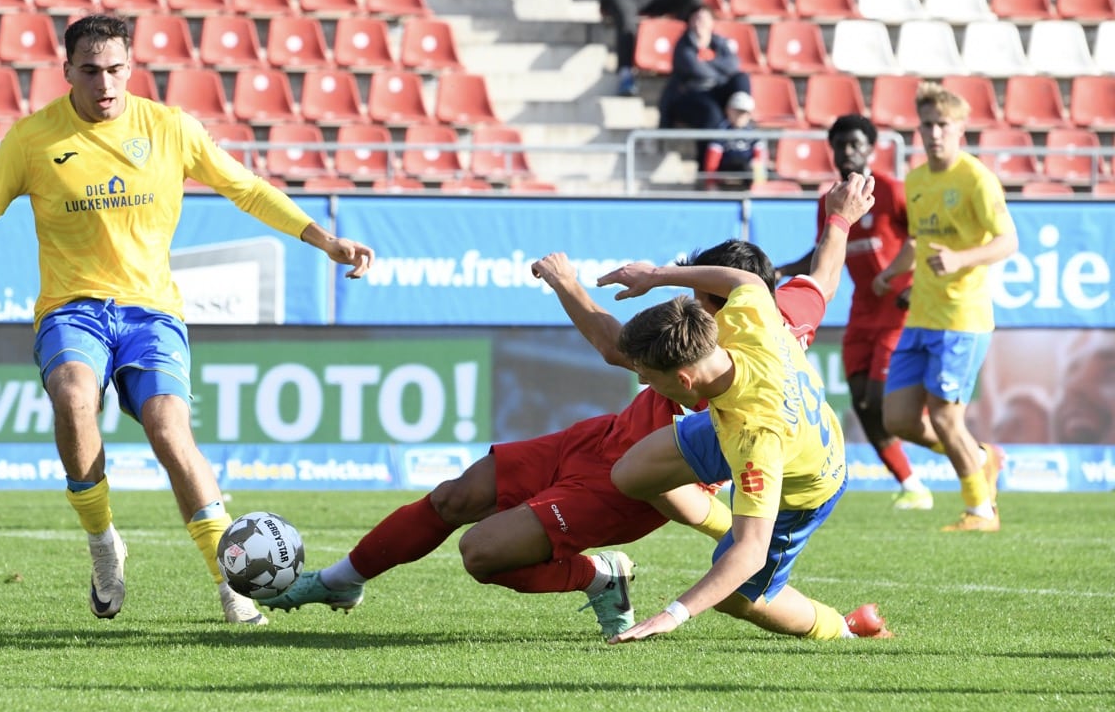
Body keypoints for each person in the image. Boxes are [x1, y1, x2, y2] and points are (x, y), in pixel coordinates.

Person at [257, 177, 878, 639]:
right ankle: (341, 581)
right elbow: (822, 279)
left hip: (619, 491)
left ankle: (601, 576)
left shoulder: (729, 400)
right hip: (603, 437)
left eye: (698, 286)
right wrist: (840, 220)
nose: (692, 295)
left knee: (482, 552)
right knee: (455, 495)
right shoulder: (769, 314)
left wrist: (568, 283)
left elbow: (619, 353)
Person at [0, 14, 375, 624]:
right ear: (67, 72)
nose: (104, 83)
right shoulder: (32, 138)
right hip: (72, 307)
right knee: (73, 396)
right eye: (90, 71)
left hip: (152, 311)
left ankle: (230, 581)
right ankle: (103, 544)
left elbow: (246, 187)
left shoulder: (170, 127)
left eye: (115, 69)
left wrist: (324, 239)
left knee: (169, 428)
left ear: (131, 68)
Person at [596, 239, 891, 644]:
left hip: (801, 486)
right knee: (631, 474)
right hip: (739, 422)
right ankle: (731, 526)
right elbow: (745, 279)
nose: (644, 382)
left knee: (735, 597)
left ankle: (845, 628)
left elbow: (751, 552)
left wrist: (671, 615)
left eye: (648, 376)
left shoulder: (756, 441)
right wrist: (656, 275)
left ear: (684, 380)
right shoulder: (749, 320)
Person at [871, 82, 1017, 532]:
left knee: (944, 416)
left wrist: (960, 259)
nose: (934, 133)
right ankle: (980, 456)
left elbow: (1008, 241)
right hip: (921, 317)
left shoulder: (976, 179)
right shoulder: (916, 180)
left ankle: (981, 511)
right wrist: (891, 273)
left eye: (943, 125)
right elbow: (917, 242)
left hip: (962, 318)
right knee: (898, 419)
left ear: (960, 130)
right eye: (928, 125)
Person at [775, 114, 930, 510]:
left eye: (855, 144)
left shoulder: (892, 191)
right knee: (861, 402)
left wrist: (912, 284)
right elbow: (824, 250)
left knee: (880, 401)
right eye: (840, 145)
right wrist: (782, 269)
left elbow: (924, 240)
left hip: (898, 310)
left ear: (871, 150)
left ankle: (971, 455)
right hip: (861, 312)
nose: (847, 151)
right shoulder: (829, 202)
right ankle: (912, 484)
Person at [658, 0, 750, 136]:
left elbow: (733, 65)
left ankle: (741, 113)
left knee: (741, 78)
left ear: (712, 22)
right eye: (697, 18)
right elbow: (697, 70)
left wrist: (709, 62)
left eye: (704, 18)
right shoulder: (684, 46)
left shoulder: (720, 43)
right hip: (692, 94)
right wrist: (720, 71)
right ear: (690, 22)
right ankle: (711, 149)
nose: (700, 23)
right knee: (712, 114)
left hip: (717, 90)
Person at [698, 91, 768, 190]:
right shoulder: (722, 131)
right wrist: (711, 182)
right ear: (729, 111)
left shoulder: (753, 132)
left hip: (747, 170)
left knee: (753, 167)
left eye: (744, 113)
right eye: (737, 112)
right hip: (726, 168)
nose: (740, 116)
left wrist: (759, 183)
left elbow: (759, 157)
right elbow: (712, 158)